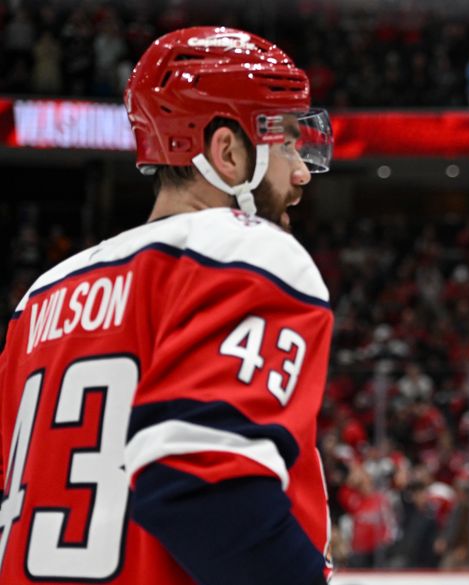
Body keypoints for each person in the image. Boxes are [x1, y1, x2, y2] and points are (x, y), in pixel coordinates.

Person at [0, 27, 334, 585]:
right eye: (287, 145)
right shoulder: (246, 250)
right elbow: (201, 482)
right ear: (228, 152)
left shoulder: (42, 296)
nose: (300, 172)